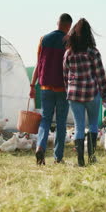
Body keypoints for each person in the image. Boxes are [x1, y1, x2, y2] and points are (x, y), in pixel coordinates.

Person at [63, 18, 106, 166]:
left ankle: (80, 160)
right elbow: (100, 74)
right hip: (91, 93)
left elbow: (65, 74)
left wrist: (68, 90)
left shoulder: (68, 53)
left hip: (74, 94)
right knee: (93, 125)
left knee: (79, 126)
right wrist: (104, 94)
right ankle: (92, 156)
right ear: (90, 34)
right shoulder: (93, 52)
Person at [30, 13, 73, 165]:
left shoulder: (44, 39)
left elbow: (38, 64)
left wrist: (32, 84)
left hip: (45, 86)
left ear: (58, 23)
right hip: (62, 88)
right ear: (69, 26)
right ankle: (58, 157)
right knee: (61, 122)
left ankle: (40, 147)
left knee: (45, 119)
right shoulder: (69, 41)